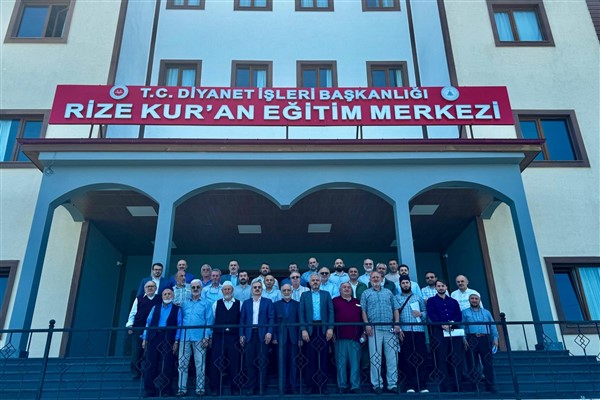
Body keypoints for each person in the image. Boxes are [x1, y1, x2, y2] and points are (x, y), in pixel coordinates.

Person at [361, 271, 401, 394]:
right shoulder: (366, 293)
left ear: (382, 279)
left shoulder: (388, 292)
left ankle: (392, 384)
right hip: (374, 329)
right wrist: (367, 324)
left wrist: (397, 324)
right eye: (373, 277)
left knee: (392, 358)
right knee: (375, 358)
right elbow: (363, 310)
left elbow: (395, 309)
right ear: (370, 279)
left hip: (389, 329)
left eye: (377, 277)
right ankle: (377, 384)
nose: (375, 279)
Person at [142, 288, 182, 397]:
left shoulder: (177, 309)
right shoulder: (155, 308)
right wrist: (145, 338)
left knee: (167, 364)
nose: (167, 296)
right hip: (154, 337)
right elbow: (148, 323)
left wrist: (176, 341)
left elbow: (179, 325)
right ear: (162, 296)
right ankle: (149, 390)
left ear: (173, 295)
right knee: (151, 363)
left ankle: (166, 390)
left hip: (168, 338)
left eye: (169, 294)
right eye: (165, 294)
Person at [177, 279, 214, 397]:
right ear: (190, 289)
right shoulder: (185, 303)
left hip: (200, 337)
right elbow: (180, 319)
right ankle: (181, 389)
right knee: (182, 364)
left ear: (201, 288)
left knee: (200, 364)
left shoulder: (206, 303)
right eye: (193, 287)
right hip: (185, 337)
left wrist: (206, 337)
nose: (195, 289)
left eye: (198, 287)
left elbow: (209, 321)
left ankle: (200, 388)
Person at [299, 273, 334, 395]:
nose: (315, 282)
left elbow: (330, 311)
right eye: (313, 280)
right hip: (310, 329)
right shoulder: (304, 295)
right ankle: (310, 385)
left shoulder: (326, 294)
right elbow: (301, 313)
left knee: (323, 358)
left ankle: (322, 385)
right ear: (309, 282)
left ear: (320, 282)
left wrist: (330, 328)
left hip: (323, 329)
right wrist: (303, 329)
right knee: (310, 358)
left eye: (317, 280)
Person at [426, 279, 464, 392]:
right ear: (436, 288)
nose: (441, 288)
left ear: (446, 287)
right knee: (441, 358)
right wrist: (441, 324)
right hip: (439, 331)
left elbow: (458, 315)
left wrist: (452, 323)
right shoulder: (431, 301)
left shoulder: (453, 301)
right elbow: (431, 314)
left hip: (454, 331)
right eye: (439, 286)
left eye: (443, 286)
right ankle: (446, 385)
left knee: (456, 357)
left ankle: (458, 385)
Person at [240, 281, 275, 395]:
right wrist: (241, 334)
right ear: (251, 289)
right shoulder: (246, 303)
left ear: (262, 289)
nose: (257, 289)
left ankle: (261, 388)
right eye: (254, 287)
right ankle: (251, 388)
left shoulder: (268, 302)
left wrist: (269, 332)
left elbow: (271, 318)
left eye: (259, 287)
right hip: (250, 335)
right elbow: (242, 320)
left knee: (262, 362)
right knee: (250, 363)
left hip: (263, 335)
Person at [396, 275, 429, 393]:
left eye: (407, 283)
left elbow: (425, 313)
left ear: (410, 284)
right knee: (407, 358)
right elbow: (395, 315)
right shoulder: (396, 298)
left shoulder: (418, 297)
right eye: (403, 283)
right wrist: (399, 329)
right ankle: (410, 385)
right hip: (405, 331)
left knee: (421, 357)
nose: (405, 285)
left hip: (418, 330)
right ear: (400, 285)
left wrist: (420, 314)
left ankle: (422, 384)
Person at [210, 281, 242, 396]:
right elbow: (212, 320)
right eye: (225, 289)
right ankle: (215, 388)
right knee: (216, 362)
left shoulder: (240, 303)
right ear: (222, 291)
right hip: (219, 336)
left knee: (235, 362)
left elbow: (242, 320)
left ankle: (235, 388)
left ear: (232, 290)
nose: (227, 291)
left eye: (229, 289)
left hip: (234, 337)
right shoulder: (216, 303)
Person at [462, 293, 498, 393]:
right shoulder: (464, 312)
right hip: (471, 338)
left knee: (487, 363)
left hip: (485, 338)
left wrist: (495, 338)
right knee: (472, 363)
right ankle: (474, 386)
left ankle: (490, 385)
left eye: (476, 298)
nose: (474, 300)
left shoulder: (487, 312)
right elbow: (462, 327)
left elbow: (492, 326)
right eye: (472, 298)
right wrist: (464, 339)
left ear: (479, 300)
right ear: (469, 300)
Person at [126, 280, 161, 379]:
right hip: (139, 327)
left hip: (153, 328)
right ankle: (136, 372)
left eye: (152, 286)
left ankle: (149, 372)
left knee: (151, 351)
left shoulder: (159, 299)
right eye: (148, 286)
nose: (150, 288)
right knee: (136, 351)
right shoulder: (139, 299)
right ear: (144, 288)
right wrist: (130, 325)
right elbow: (133, 313)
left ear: (155, 288)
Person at [333, 282, 363, 394]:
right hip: (340, 337)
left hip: (355, 337)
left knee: (355, 363)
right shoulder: (334, 301)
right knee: (341, 363)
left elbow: (363, 317)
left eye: (348, 287)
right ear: (340, 290)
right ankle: (342, 385)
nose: (346, 289)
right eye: (344, 287)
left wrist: (364, 333)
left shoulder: (357, 302)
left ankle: (355, 386)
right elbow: (331, 317)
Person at [273, 284, 301, 394]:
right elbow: (273, 322)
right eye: (284, 290)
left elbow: (300, 321)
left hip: (294, 337)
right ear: (281, 292)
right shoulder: (275, 305)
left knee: (294, 362)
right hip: (280, 338)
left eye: (288, 290)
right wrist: (274, 337)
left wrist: (300, 338)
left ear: (292, 292)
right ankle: (282, 387)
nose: (286, 292)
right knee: (281, 363)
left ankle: (293, 386)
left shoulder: (298, 304)